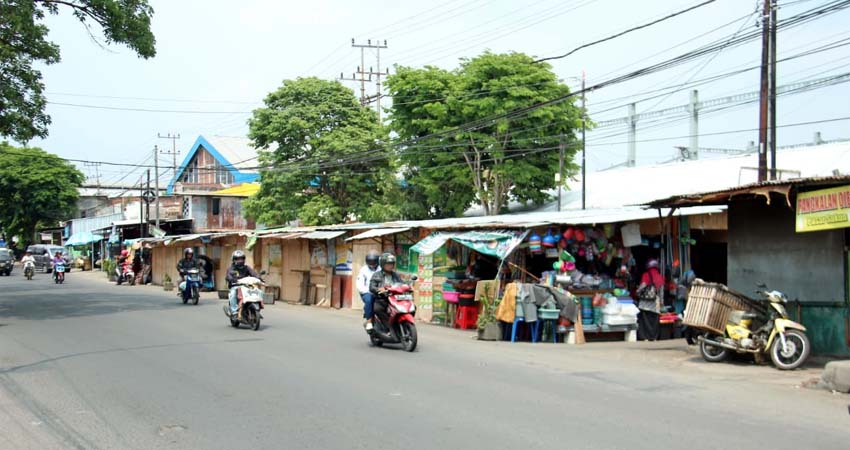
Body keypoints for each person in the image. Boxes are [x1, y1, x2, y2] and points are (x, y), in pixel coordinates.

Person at [369, 253, 404, 326]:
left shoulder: (395, 275)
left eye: (392, 264)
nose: (390, 266)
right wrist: (379, 289)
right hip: (382, 298)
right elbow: (372, 287)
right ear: (382, 264)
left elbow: (401, 283)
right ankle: (388, 326)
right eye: (388, 264)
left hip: (395, 298)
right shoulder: (377, 275)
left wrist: (407, 286)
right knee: (378, 309)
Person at [225, 250, 260, 317]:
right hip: (235, 286)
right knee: (232, 294)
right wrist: (231, 279)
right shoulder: (231, 268)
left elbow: (253, 273)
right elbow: (228, 276)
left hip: (246, 286)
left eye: (241, 258)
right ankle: (234, 311)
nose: (240, 260)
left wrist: (259, 278)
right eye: (237, 259)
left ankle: (255, 306)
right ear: (233, 260)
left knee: (256, 290)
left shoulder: (246, 268)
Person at [637, 258, 664, 341]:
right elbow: (661, 291)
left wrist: (637, 292)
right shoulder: (659, 276)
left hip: (645, 303)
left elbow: (642, 286)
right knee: (655, 321)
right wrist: (661, 302)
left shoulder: (646, 275)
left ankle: (645, 337)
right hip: (655, 303)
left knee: (644, 321)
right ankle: (654, 337)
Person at [357, 250, 381, 331]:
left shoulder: (381, 269)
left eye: (373, 261)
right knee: (369, 300)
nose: (372, 263)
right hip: (367, 292)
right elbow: (360, 285)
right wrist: (368, 291)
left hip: (380, 291)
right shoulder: (363, 270)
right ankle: (369, 322)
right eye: (370, 261)